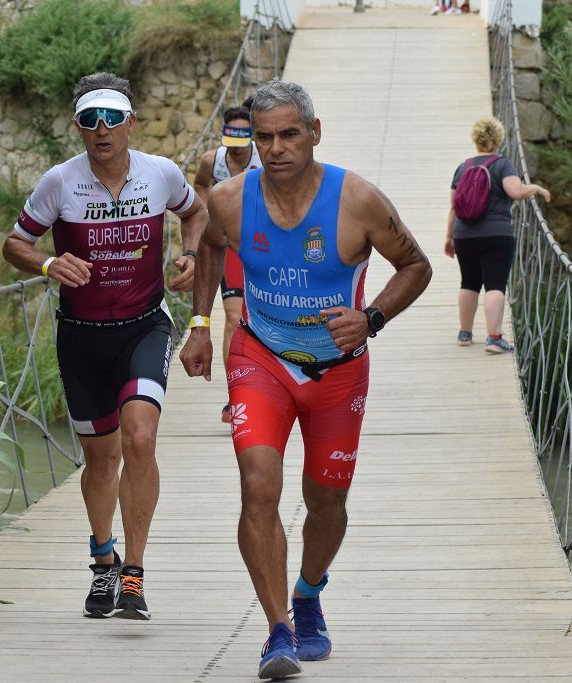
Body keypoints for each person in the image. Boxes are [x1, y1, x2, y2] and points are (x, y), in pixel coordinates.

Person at [179, 81, 431, 680]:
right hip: (259, 360)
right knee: (258, 486)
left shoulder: (358, 201)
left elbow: (417, 265)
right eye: (264, 136)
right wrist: (199, 321)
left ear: (314, 133)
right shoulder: (230, 199)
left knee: (326, 500)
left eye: (290, 134)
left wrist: (371, 319)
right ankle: (278, 631)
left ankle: (309, 591)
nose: (276, 148)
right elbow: (212, 248)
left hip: (337, 373)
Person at [2, 72, 208, 621]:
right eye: (90, 119)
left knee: (139, 438)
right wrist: (48, 263)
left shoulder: (159, 174)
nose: (102, 129)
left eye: (112, 118)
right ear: (77, 127)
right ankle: (103, 562)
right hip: (81, 337)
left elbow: (196, 210)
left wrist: (188, 254)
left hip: (144, 327)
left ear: (131, 124)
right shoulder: (59, 183)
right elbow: (14, 242)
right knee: (100, 459)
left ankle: (134, 575)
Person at [444, 116, 550, 353]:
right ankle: (493, 338)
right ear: (499, 139)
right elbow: (516, 191)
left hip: (464, 235)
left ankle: (465, 334)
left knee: (469, 282)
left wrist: (449, 236)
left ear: (476, 138)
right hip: (496, 234)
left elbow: (454, 206)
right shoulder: (502, 165)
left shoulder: (463, 167)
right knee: (495, 284)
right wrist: (537, 189)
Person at [192, 99, 262, 424]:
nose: (235, 151)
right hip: (229, 247)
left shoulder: (267, 156)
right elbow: (201, 184)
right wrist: (210, 213)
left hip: (265, 246)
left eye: (241, 143)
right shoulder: (212, 161)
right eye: (229, 143)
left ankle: (272, 384)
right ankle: (236, 397)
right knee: (233, 317)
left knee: (263, 316)